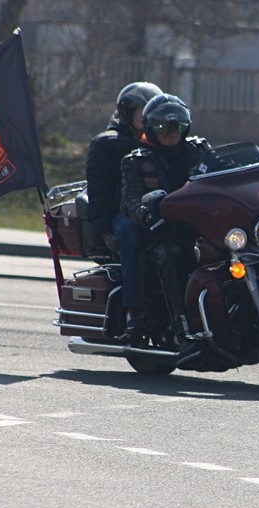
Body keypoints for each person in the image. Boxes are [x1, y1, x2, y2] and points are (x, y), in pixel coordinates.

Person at [121, 93, 212, 351]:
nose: (172, 133)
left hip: (200, 225)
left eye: (178, 126)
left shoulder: (198, 150)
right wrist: (147, 212)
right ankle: (183, 330)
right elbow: (130, 200)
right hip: (162, 231)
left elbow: (222, 175)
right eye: (164, 127)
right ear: (151, 128)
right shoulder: (137, 160)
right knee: (170, 255)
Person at [85, 81, 163, 336]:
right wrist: (104, 230)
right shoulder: (108, 143)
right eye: (144, 110)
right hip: (121, 214)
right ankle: (133, 310)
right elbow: (99, 192)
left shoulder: (161, 141)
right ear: (128, 112)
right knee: (131, 233)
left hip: (155, 210)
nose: (149, 116)